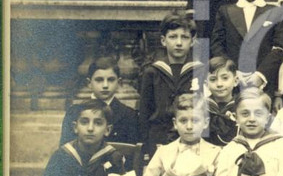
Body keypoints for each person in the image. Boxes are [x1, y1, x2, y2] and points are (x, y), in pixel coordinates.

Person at [138, 12, 202, 159]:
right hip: (159, 137)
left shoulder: (200, 70)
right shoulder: (152, 72)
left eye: (184, 37)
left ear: (192, 41)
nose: (179, 43)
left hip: (191, 136)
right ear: (163, 40)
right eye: (173, 37)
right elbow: (144, 112)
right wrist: (146, 145)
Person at [210, 0, 276, 81]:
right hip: (233, 80)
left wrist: (260, 75)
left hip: (264, 80)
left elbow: (278, 48)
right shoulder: (225, 11)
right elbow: (217, 45)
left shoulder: (274, 12)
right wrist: (232, 71)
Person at [59, 56, 139, 145]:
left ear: (119, 83)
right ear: (89, 83)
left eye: (111, 80)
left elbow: (132, 153)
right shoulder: (74, 112)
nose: (105, 85)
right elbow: (65, 152)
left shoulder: (129, 115)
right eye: (99, 80)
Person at [205, 57, 238, 146]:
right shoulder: (202, 108)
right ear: (206, 83)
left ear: (235, 81)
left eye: (225, 78)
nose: (219, 84)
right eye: (213, 79)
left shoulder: (241, 108)